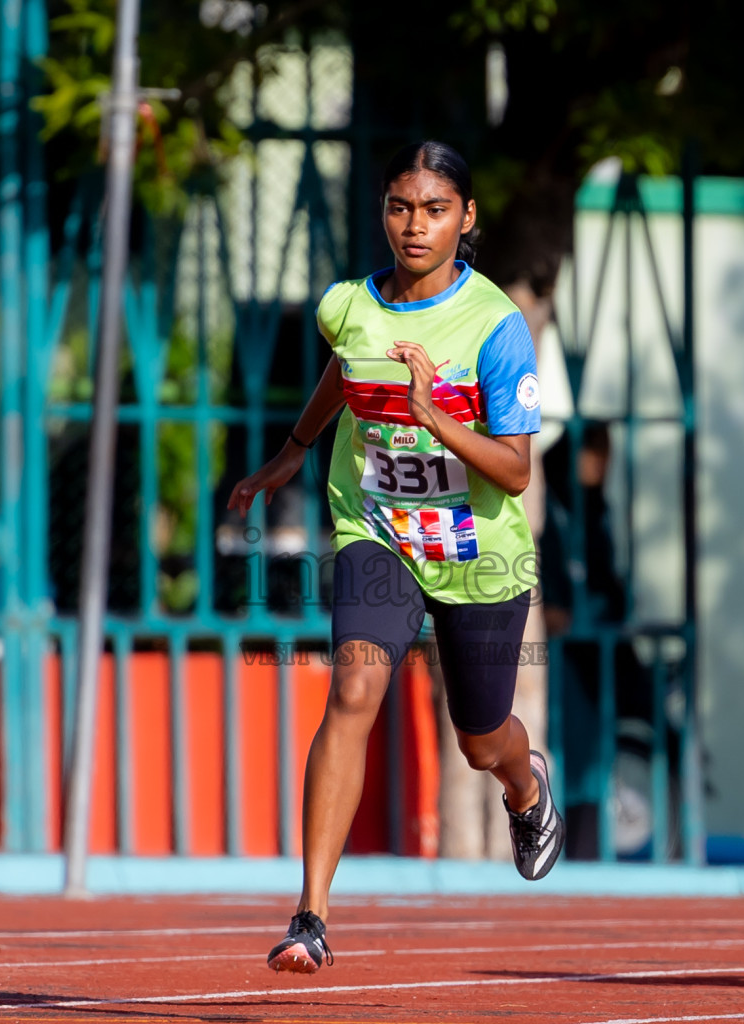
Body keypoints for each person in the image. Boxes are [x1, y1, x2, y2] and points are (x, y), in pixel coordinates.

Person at [227, 140, 564, 974]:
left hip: (477, 552)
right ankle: (311, 915)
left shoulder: (495, 327)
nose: (415, 226)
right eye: (400, 207)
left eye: (436, 210)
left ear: (466, 217)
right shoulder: (349, 305)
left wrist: (434, 415)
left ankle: (526, 787)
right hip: (377, 531)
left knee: (479, 740)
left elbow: (515, 470)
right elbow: (344, 373)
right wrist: (294, 450)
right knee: (352, 690)